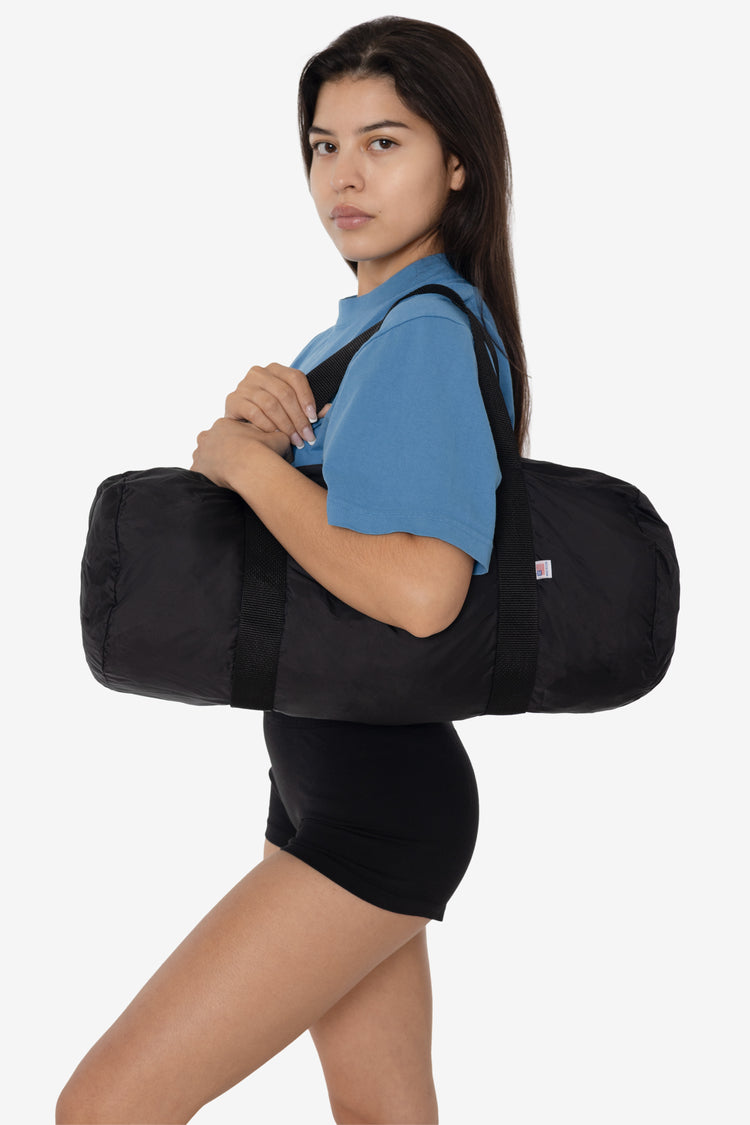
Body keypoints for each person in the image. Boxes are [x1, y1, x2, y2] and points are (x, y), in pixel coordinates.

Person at [57, 16, 530, 1125]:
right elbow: (306, 539)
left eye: (383, 143)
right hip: (331, 781)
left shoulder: (422, 332)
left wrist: (244, 464)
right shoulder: (368, 331)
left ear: (458, 163)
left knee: (106, 1107)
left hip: (374, 800)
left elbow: (422, 591)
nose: (343, 177)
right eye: (324, 146)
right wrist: (248, 437)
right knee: (381, 1113)